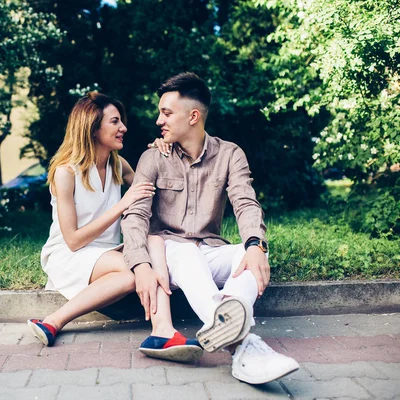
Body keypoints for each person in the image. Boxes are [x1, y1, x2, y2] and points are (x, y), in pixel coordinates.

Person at [122, 72, 300, 384]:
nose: (157, 121)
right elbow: (135, 216)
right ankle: (246, 347)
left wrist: (255, 245)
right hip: (172, 250)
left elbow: (245, 202)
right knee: (188, 253)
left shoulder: (230, 154)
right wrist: (140, 264)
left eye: (166, 113)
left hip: (211, 248)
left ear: (193, 116)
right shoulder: (153, 157)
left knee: (245, 259)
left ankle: (226, 325)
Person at [27, 92, 202, 362]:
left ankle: (51, 322)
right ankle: (163, 331)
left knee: (141, 264)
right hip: (69, 254)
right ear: (93, 128)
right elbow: (72, 240)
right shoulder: (66, 172)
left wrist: (164, 151)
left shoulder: (118, 165)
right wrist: (122, 205)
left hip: (106, 254)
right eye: (115, 122)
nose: (124, 128)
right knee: (139, 267)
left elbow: (159, 188)